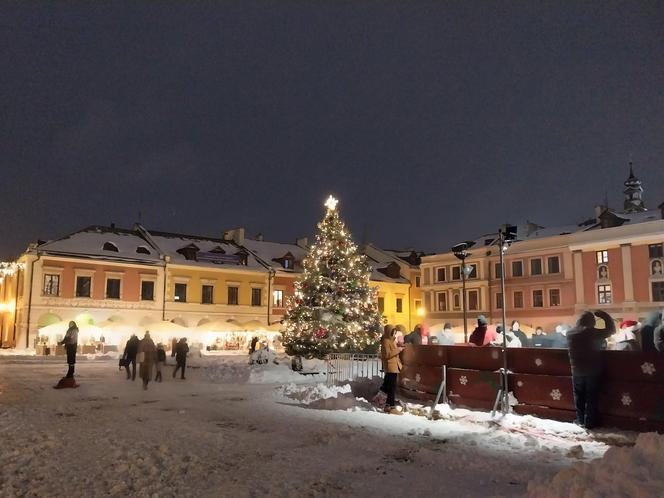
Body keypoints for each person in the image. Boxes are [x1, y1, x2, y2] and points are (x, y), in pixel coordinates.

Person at [566, 310, 615, 429]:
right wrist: (604, 315)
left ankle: (580, 420)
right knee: (591, 396)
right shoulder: (591, 332)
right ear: (591, 322)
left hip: (576, 369)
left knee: (579, 396)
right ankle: (590, 422)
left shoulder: (570, 332)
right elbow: (611, 330)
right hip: (592, 369)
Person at [380, 325, 403, 414]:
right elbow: (387, 355)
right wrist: (398, 350)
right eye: (393, 331)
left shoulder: (391, 340)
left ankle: (388, 406)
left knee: (391, 387)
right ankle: (392, 406)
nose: (394, 333)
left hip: (394, 366)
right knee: (391, 388)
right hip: (390, 367)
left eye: (395, 332)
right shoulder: (386, 341)